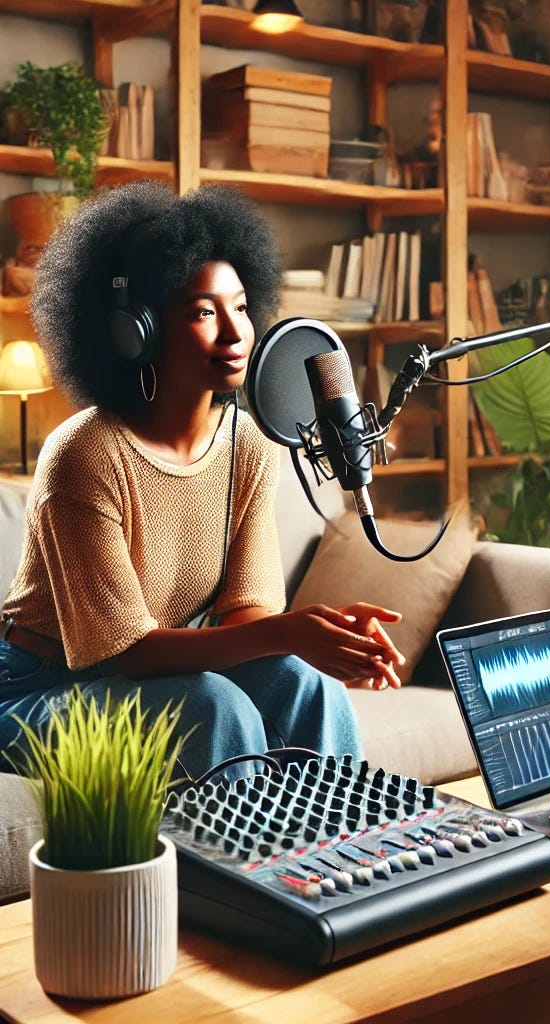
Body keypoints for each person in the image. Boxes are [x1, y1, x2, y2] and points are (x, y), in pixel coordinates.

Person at [0, 180, 405, 782]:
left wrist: (314, 635)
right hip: (38, 694)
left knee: (306, 685)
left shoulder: (248, 445)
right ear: (136, 331)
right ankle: (236, 876)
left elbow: (247, 617)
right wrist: (290, 632)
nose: (235, 332)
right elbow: (129, 654)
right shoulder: (84, 455)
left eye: (240, 306)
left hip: (145, 674)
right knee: (213, 706)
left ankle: (338, 856)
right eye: (201, 311)